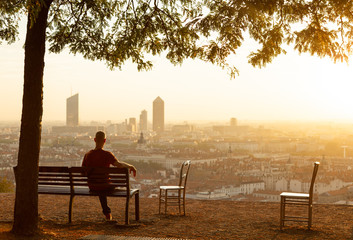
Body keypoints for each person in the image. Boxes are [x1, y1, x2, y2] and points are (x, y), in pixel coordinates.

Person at [82, 131, 137, 220]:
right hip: (104, 185)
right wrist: (131, 166)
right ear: (104, 141)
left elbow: (83, 171)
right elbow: (119, 164)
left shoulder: (87, 155)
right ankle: (107, 213)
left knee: (100, 185)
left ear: (94, 140)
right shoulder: (107, 155)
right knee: (105, 184)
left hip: (92, 186)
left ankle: (107, 213)